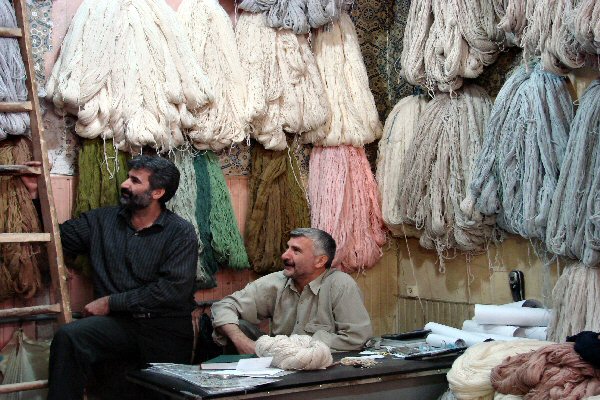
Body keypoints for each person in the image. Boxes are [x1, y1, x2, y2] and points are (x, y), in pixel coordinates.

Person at [23, 155, 198, 400]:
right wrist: (36, 195)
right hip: (119, 325)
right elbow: (57, 239)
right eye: (128, 177)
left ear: (157, 192)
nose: (125, 184)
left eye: (135, 181)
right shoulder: (101, 220)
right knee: (70, 337)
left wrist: (110, 302)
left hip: (165, 329)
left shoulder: (180, 233)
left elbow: (172, 290)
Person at [211, 228, 373, 354]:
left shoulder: (340, 285)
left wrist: (299, 346)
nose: (284, 255)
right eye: (287, 248)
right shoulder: (277, 281)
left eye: (296, 251)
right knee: (237, 326)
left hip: (322, 369)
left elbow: (356, 337)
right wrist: (242, 342)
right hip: (277, 365)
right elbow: (224, 306)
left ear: (320, 261)